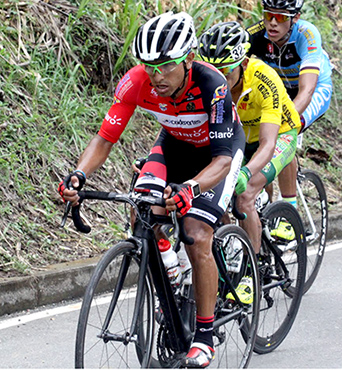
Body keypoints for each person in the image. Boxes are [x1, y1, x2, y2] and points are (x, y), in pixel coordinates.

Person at [58, 11, 245, 368]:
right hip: (173, 146)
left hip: (216, 154)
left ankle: (204, 337)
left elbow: (221, 161)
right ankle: (166, 262)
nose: (156, 76)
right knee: (141, 204)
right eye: (148, 66)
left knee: (195, 232)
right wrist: (78, 175)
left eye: (166, 66)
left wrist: (190, 187)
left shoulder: (212, 84)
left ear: (189, 58)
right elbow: (104, 138)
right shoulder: (136, 82)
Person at [198, 21, 301, 255]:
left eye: (226, 71)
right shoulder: (204, 83)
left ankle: (249, 272)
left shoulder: (264, 78)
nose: (219, 79)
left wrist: (246, 172)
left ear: (243, 63)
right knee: (214, 196)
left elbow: (267, 143)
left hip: (279, 133)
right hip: (239, 139)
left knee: (245, 195)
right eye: (213, 71)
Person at [246, 0, 333, 211]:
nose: (273, 23)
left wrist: (284, 122)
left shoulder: (307, 34)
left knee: (285, 132)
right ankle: (262, 206)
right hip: (278, 90)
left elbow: (307, 91)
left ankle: (289, 210)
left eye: (282, 17)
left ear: (295, 17)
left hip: (312, 88)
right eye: (268, 16)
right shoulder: (255, 35)